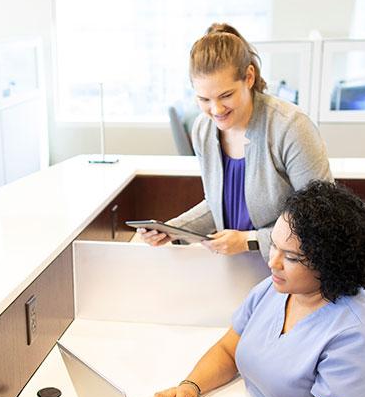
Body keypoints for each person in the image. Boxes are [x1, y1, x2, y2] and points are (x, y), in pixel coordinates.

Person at [153, 180, 365, 397]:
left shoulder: (361, 336)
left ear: (331, 263)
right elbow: (229, 350)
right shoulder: (275, 290)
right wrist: (190, 386)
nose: (273, 262)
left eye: (291, 257)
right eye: (273, 245)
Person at [138, 23, 332, 260]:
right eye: (204, 99)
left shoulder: (291, 127)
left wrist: (248, 240)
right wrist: (173, 230)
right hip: (233, 264)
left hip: (287, 265)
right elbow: (218, 204)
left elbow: (322, 219)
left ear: (249, 77)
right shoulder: (203, 129)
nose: (216, 109)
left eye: (226, 95)